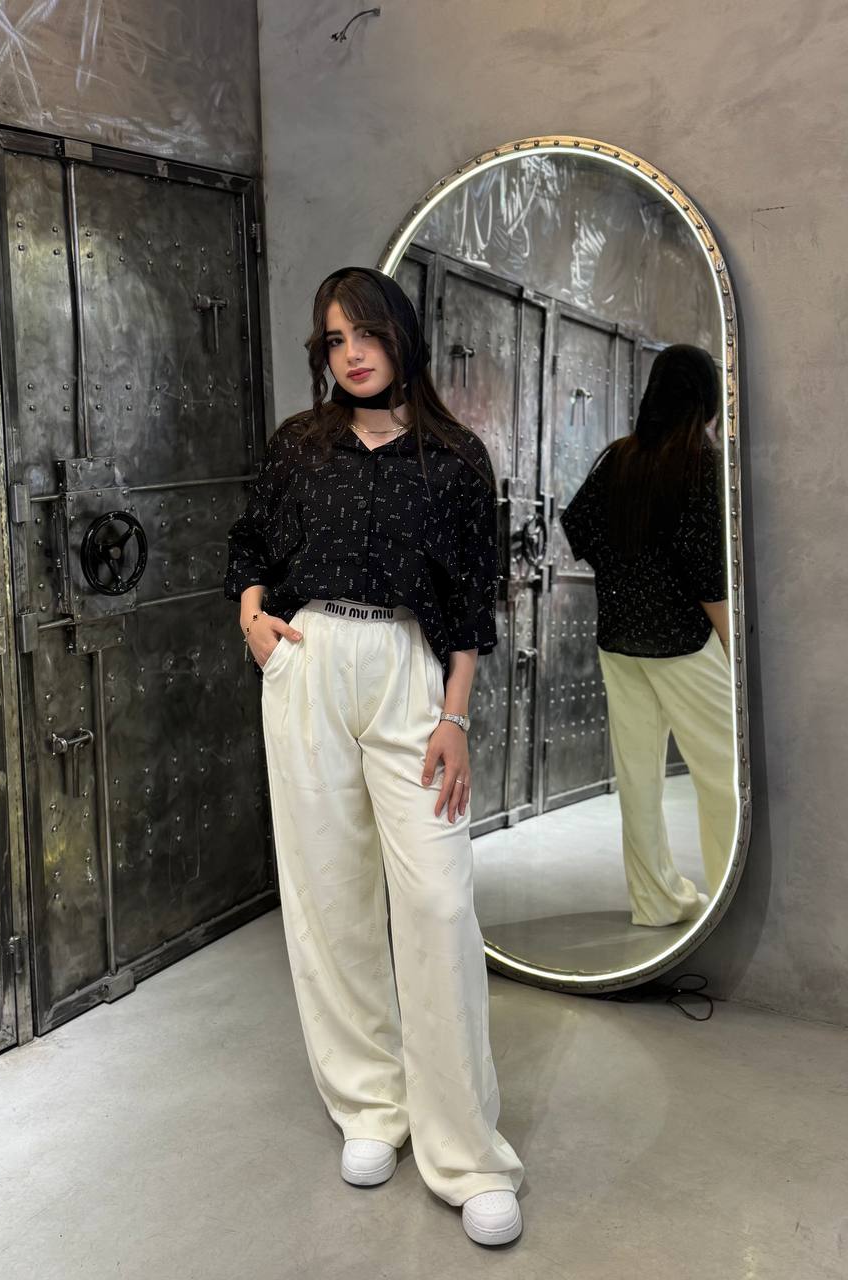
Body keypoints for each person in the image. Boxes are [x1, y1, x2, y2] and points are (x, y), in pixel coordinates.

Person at [223, 266, 525, 1246]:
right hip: (307, 661)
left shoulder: (454, 458)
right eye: (333, 338)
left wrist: (454, 718)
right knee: (328, 896)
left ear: (401, 337)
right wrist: (253, 620)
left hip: (407, 671)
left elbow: (471, 603)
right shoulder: (298, 446)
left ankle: (467, 1151)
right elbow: (250, 543)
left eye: (366, 333)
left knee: (436, 902)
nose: (350, 352)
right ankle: (369, 1106)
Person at [560, 344, 738, 928]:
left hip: (620, 640)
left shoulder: (621, 457)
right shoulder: (702, 463)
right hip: (684, 642)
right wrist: (732, 645)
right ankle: (729, 900)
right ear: (705, 399)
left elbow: (578, 525)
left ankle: (656, 902)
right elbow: (707, 573)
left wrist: (624, 573)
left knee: (637, 779)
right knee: (722, 775)